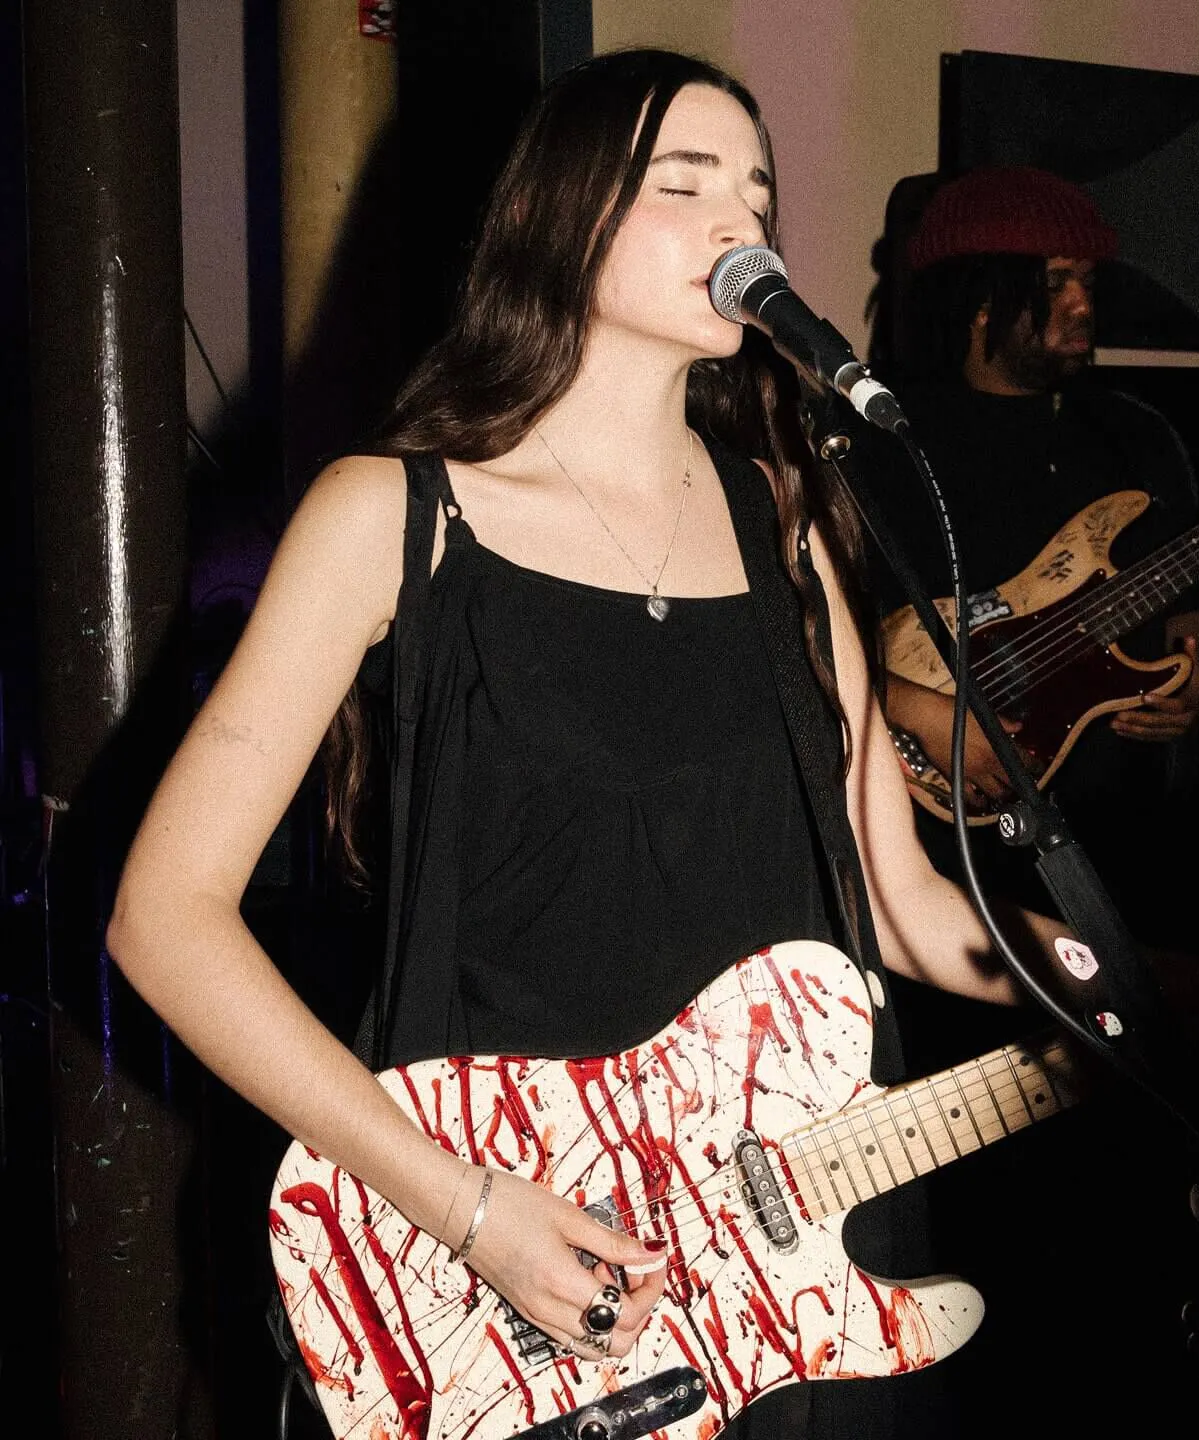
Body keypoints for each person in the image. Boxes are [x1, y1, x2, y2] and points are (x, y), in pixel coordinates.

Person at [106, 50, 1077, 1440]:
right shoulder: (390, 514)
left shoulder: (785, 522)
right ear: (558, 222)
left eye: (758, 189)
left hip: (796, 1269)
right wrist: (469, 1207)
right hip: (500, 1277)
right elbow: (165, 916)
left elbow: (912, 907)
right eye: (685, 184)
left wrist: (1142, 988)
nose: (742, 220)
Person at [869, 165, 1199, 945]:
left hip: (1126, 840)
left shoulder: (1137, 436)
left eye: (1089, 280)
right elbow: (808, 631)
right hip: (951, 851)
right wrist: (921, 712)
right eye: (1057, 281)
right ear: (978, 299)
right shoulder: (881, 446)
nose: (1084, 304)